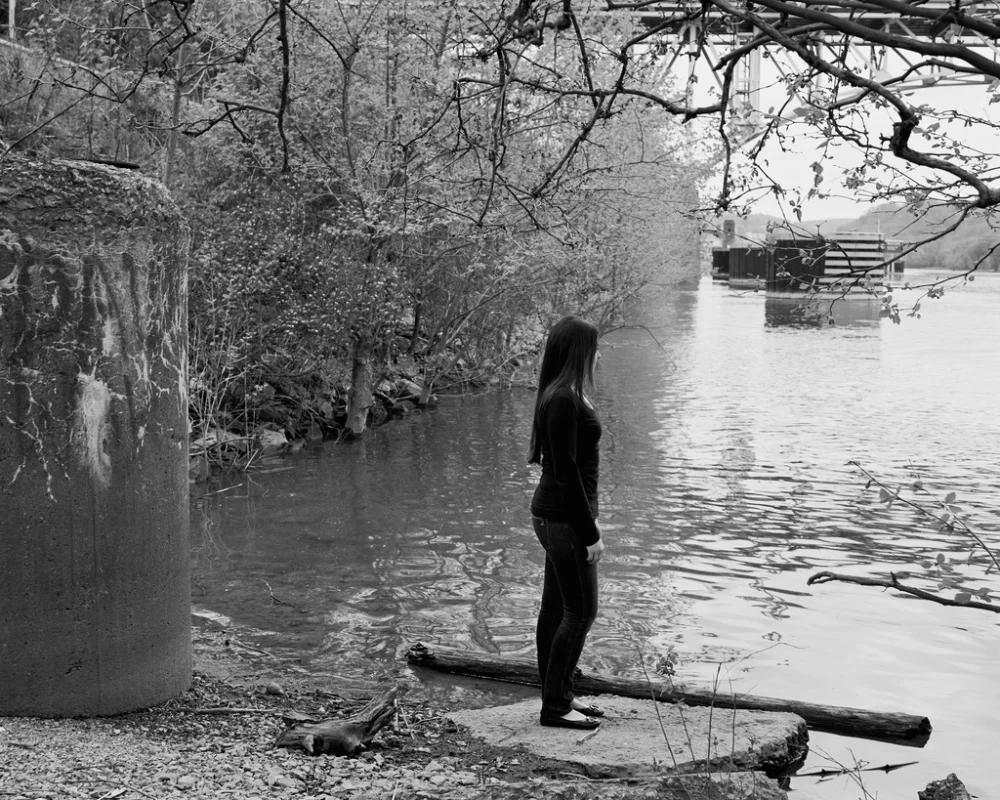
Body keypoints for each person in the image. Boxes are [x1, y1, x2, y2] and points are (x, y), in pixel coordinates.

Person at [527, 315, 605, 730]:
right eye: (593, 346)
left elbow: (570, 468)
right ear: (579, 351)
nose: (598, 353)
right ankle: (555, 707)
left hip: (559, 517)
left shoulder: (565, 395)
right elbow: (566, 472)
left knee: (556, 610)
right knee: (581, 612)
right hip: (563, 520)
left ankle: (557, 696)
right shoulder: (562, 400)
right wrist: (589, 533)